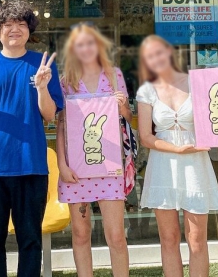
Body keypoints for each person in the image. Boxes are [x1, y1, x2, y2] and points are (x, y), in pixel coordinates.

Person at [0, 0, 64, 277]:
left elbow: (50, 115)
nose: (15, 29)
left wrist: (42, 88)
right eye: (8, 25)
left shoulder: (41, 66)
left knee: (30, 240)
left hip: (31, 164)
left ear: (29, 29)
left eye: (21, 24)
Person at [136, 35, 218, 277]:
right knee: (169, 238)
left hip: (196, 163)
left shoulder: (198, 82)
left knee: (197, 239)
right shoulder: (146, 90)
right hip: (163, 164)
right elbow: (145, 137)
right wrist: (177, 149)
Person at [56, 23, 133, 277]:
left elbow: (127, 119)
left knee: (116, 236)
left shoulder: (114, 75)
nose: (86, 49)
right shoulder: (65, 81)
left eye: (90, 43)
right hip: (76, 169)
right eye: (80, 45)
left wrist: (123, 108)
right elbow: (61, 127)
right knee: (80, 234)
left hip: (110, 167)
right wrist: (62, 165)